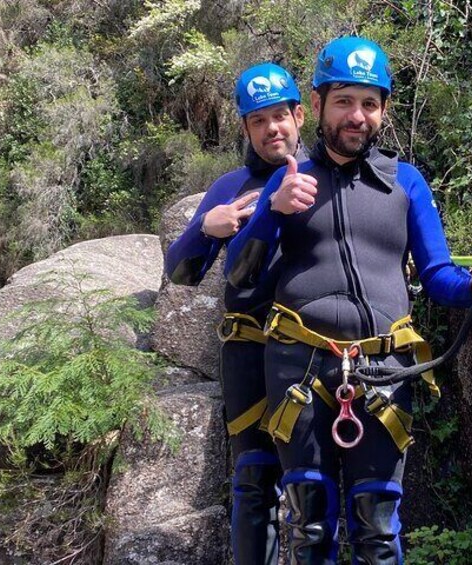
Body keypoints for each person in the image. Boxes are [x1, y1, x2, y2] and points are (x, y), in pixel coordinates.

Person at [225, 37, 472, 563]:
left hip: (384, 370)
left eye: (369, 103)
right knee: (309, 525)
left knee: (378, 529)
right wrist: (272, 209)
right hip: (298, 367)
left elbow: (436, 277)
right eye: (344, 101)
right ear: (316, 105)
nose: (357, 116)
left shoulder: (406, 183)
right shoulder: (286, 181)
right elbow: (240, 280)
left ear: (383, 109)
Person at [164, 62, 307, 565]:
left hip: (313, 351)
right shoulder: (232, 187)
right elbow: (181, 274)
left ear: (299, 115)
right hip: (249, 348)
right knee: (252, 480)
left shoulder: (327, 174)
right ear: (245, 128)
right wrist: (207, 226)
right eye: (259, 120)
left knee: (316, 485)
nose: (273, 129)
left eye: (280, 116)